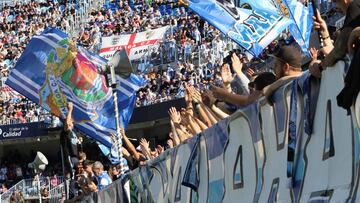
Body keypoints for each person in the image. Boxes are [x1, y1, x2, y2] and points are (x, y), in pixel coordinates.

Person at [309, 0, 360, 76]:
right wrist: (324, 32)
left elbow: (339, 49)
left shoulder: (354, 5)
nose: (336, 7)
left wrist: (320, 66)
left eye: (334, 1)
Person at [60, 102, 79, 178]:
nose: (70, 123)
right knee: (73, 178)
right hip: (70, 157)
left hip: (76, 158)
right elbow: (67, 123)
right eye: (69, 122)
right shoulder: (65, 133)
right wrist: (70, 110)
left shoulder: (73, 132)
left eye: (71, 122)